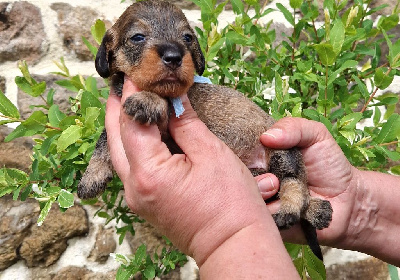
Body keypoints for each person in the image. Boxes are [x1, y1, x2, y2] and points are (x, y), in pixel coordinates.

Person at [105, 79, 400, 278]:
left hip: (263, 149)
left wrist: (226, 232)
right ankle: (303, 204)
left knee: (282, 154)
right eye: (137, 39)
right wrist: (357, 205)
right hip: (249, 171)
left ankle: (298, 201)